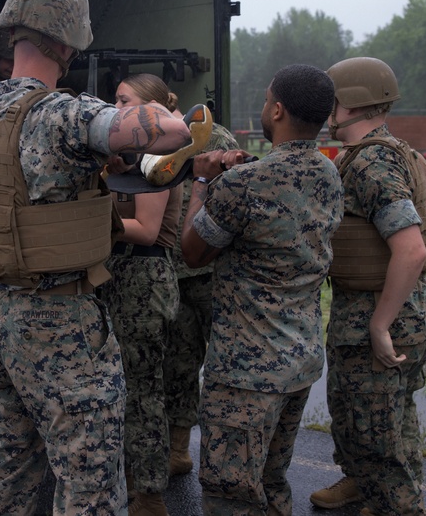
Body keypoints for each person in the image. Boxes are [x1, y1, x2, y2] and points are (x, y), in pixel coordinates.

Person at [0, 0, 195, 515]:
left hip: (0, 315)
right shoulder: (63, 113)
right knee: (90, 482)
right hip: (61, 322)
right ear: (66, 44)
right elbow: (172, 133)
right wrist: (163, 115)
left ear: (14, 32)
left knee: (6, 472)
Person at [181, 64, 344, 516]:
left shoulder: (243, 183)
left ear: (277, 110)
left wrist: (203, 181)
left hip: (245, 374)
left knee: (231, 494)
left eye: (267, 97)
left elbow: (193, 251)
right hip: (299, 362)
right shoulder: (328, 173)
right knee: (271, 483)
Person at [310, 57, 426, 516]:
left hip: (381, 313)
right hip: (402, 308)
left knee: (378, 435)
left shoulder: (372, 164)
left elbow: (412, 250)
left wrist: (380, 325)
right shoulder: (396, 152)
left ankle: (396, 504)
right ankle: (364, 485)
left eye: (330, 101)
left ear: (348, 103)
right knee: (386, 421)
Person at [100, 73, 184, 516]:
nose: (114, 109)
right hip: (116, 274)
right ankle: (128, 477)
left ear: (149, 108)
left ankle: (149, 494)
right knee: (118, 386)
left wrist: (89, 221)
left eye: (123, 100)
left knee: (142, 390)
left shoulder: (162, 155)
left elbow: (147, 229)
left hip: (143, 278)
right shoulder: (127, 155)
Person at [163, 120, 240, 477]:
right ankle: (178, 449)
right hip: (174, 273)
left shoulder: (213, 137)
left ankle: (232, 455)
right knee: (178, 365)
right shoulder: (152, 140)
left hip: (212, 271)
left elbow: (234, 192)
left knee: (227, 365)